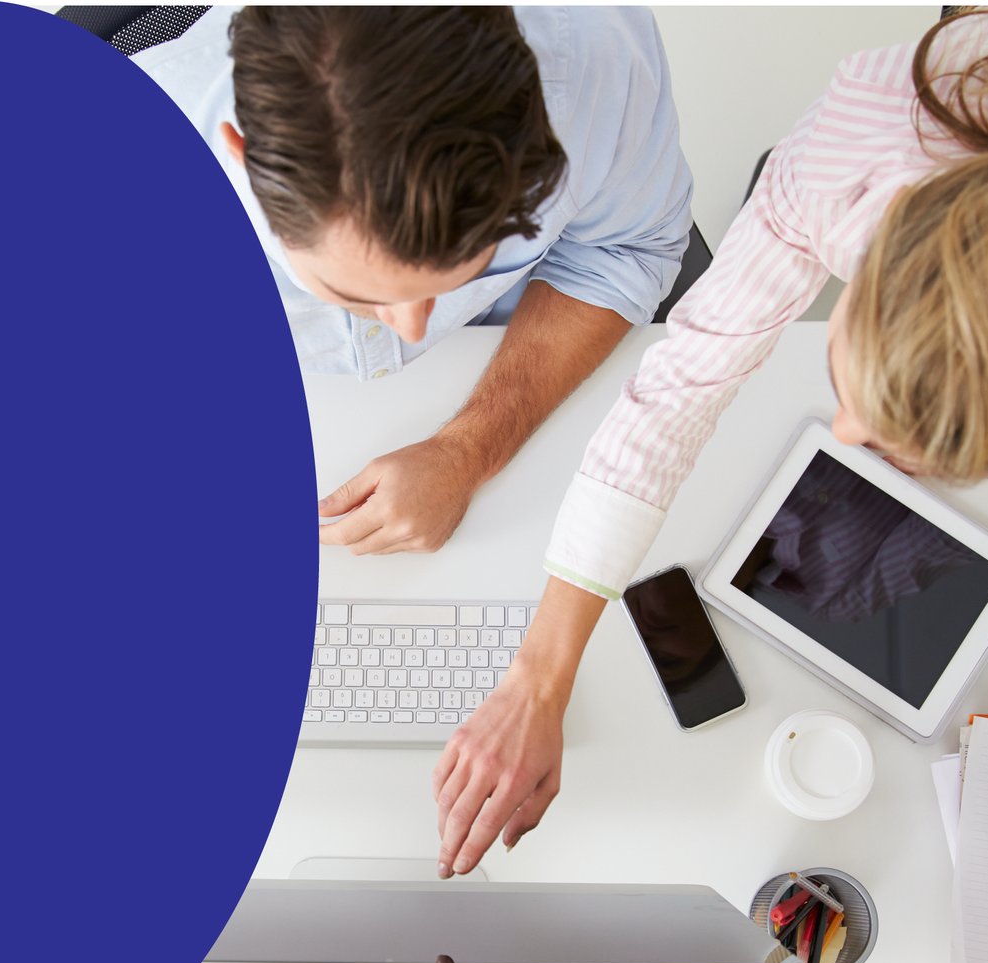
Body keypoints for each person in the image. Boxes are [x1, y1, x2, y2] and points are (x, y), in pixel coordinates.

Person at [432, 6, 988, 878]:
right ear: (883, 241)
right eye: (851, 385)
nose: (840, 435)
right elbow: (686, 376)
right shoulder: (874, 135)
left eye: (903, 448)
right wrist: (539, 678)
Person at [133, 7, 694, 554]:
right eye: (358, 293)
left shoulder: (595, 56)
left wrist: (468, 450)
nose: (413, 326)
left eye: (466, 268)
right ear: (245, 165)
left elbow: (621, 253)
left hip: (512, 376)